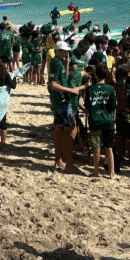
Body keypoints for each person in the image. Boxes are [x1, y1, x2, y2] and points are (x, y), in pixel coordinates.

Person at [48, 41, 83, 173]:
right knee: (71, 131)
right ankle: (68, 163)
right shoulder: (56, 64)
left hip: (58, 102)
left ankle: (59, 160)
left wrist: (67, 64)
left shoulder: (58, 63)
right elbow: (53, 84)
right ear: (57, 51)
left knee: (60, 130)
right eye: (63, 51)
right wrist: (70, 91)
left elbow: (63, 79)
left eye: (67, 51)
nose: (66, 53)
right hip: (62, 101)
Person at [84, 62, 117, 180]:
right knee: (108, 147)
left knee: (96, 147)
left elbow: (87, 105)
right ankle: (111, 173)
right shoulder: (110, 88)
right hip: (107, 120)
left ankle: (96, 171)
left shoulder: (90, 89)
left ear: (96, 75)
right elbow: (113, 105)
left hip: (94, 120)